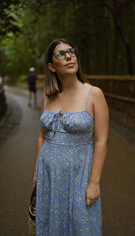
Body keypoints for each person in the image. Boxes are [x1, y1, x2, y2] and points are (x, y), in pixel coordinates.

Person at [33, 38, 109, 236]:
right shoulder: (47, 96)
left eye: (71, 51)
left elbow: (101, 142)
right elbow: (42, 137)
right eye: (61, 54)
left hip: (80, 175)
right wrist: (36, 173)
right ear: (51, 66)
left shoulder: (94, 94)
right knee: (51, 225)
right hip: (48, 175)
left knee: (82, 226)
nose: (69, 56)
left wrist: (94, 183)